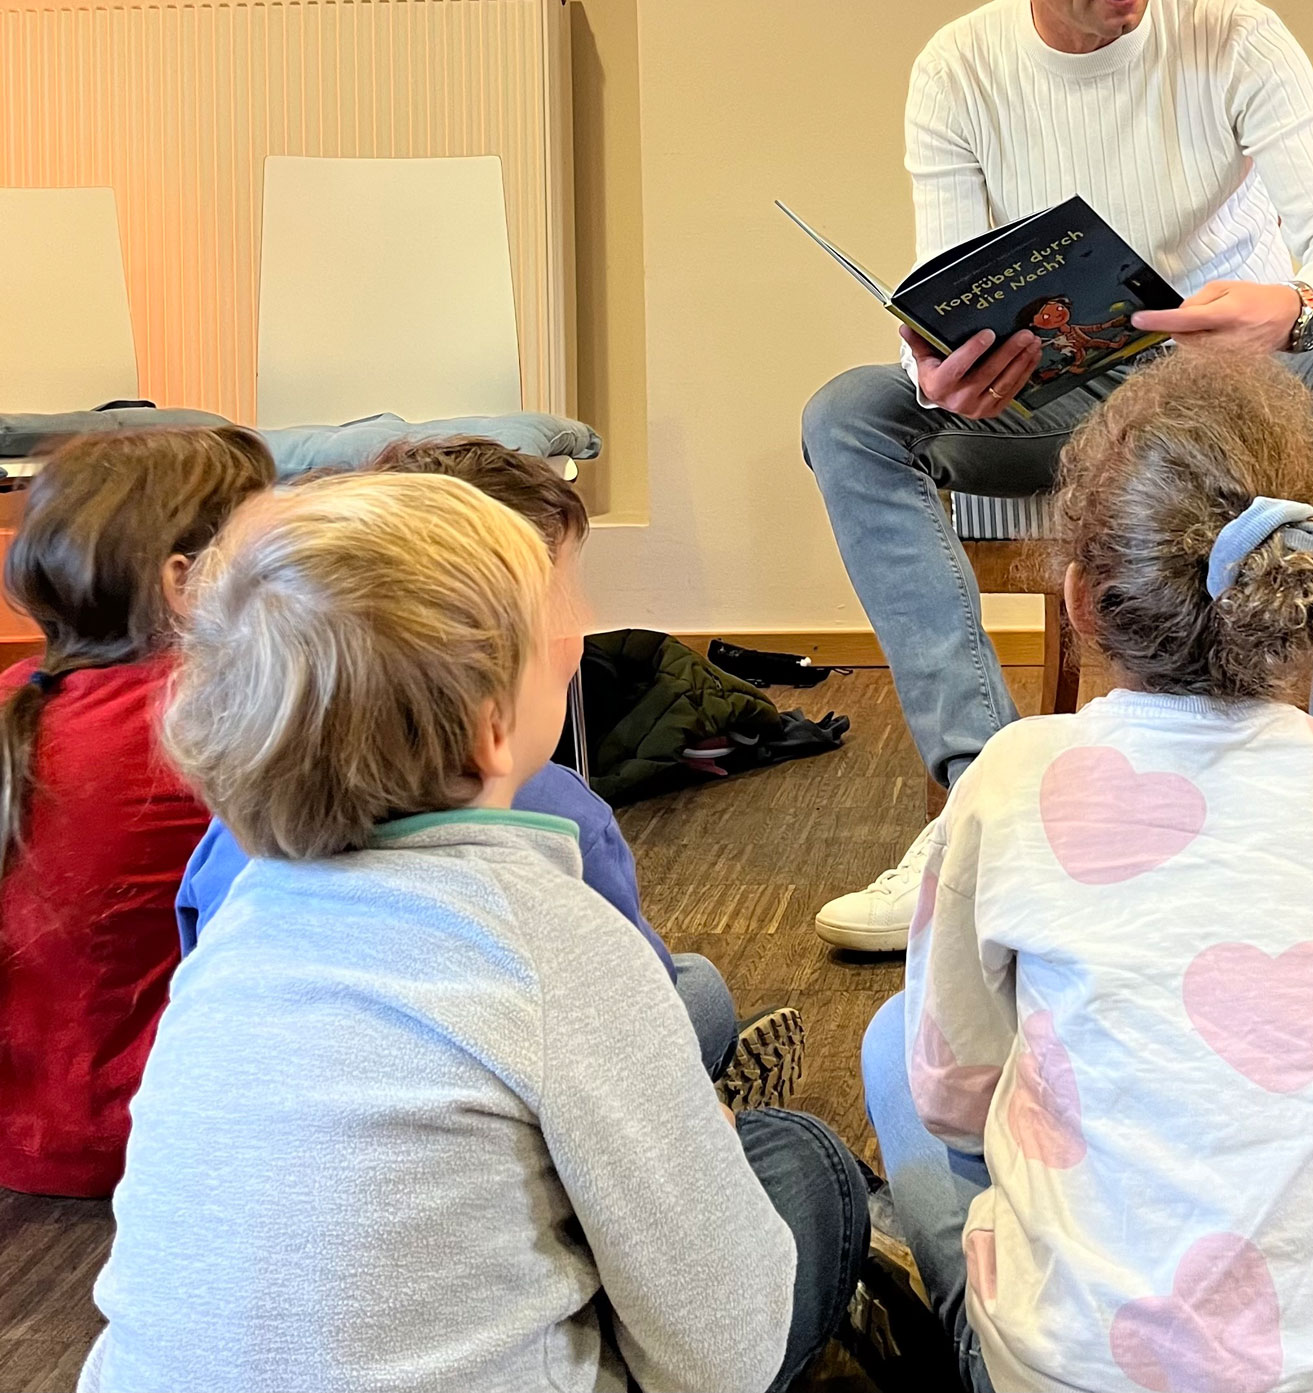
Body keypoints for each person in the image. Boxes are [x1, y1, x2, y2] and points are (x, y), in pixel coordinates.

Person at [805, 0, 1313, 951]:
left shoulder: (1236, 36)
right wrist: (936, 371)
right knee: (852, 411)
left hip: (1246, 388)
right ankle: (980, 806)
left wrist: (1296, 308)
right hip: (1057, 400)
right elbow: (946, 283)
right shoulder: (957, 70)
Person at [81, 472, 868, 1393]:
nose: (580, 629)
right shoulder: (553, 938)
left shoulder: (233, 937)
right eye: (553, 623)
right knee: (804, 1162)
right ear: (493, 725)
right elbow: (722, 1355)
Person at [861, 351, 1313, 1393]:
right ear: (1305, 588)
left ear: (1081, 599)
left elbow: (956, 1095)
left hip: (1074, 1368)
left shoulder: (1010, 775)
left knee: (891, 1041)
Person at [175, 435, 806, 1110]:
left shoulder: (224, 848)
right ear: (491, 713)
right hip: (526, 1116)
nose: (586, 621)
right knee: (704, 998)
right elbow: (634, 1036)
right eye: (560, 598)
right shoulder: (559, 822)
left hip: (264, 1124)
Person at [0, 425, 274, 1197]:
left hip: (22, 1145)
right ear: (184, 583)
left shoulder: (21, 695)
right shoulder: (205, 715)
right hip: (161, 1146)